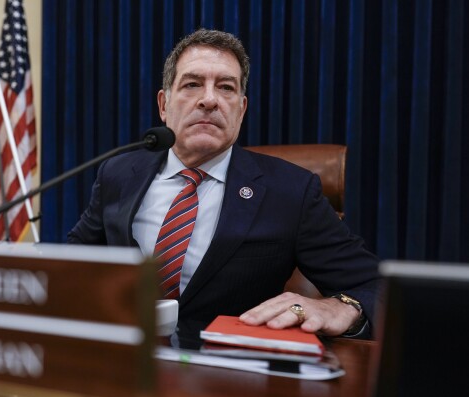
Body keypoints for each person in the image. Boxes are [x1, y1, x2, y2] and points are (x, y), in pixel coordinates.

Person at [67, 29, 380, 338]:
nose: (209, 100)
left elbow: (375, 288)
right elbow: (70, 267)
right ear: (164, 105)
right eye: (192, 84)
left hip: (228, 374)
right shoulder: (118, 174)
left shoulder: (291, 192)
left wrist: (342, 308)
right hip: (123, 364)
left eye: (226, 88)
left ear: (241, 110)